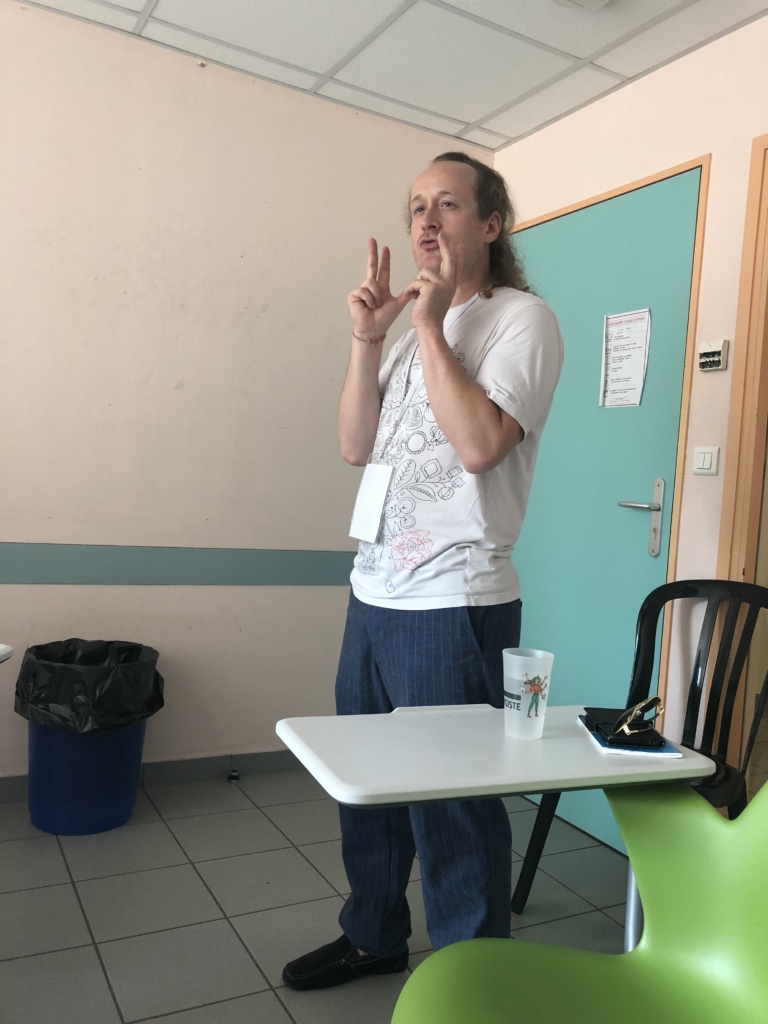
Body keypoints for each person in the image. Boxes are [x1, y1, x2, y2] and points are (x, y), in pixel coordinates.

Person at [282, 152, 563, 990]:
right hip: (373, 593)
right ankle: (373, 934)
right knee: (365, 787)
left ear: (491, 223)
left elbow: (479, 447)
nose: (426, 221)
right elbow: (354, 445)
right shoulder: (407, 333)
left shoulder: (522, 320)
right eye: (416, 208)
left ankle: (475, 980)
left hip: (454, 602)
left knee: (453, 804)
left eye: (447, 204)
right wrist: (370, 338)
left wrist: (434, 327)